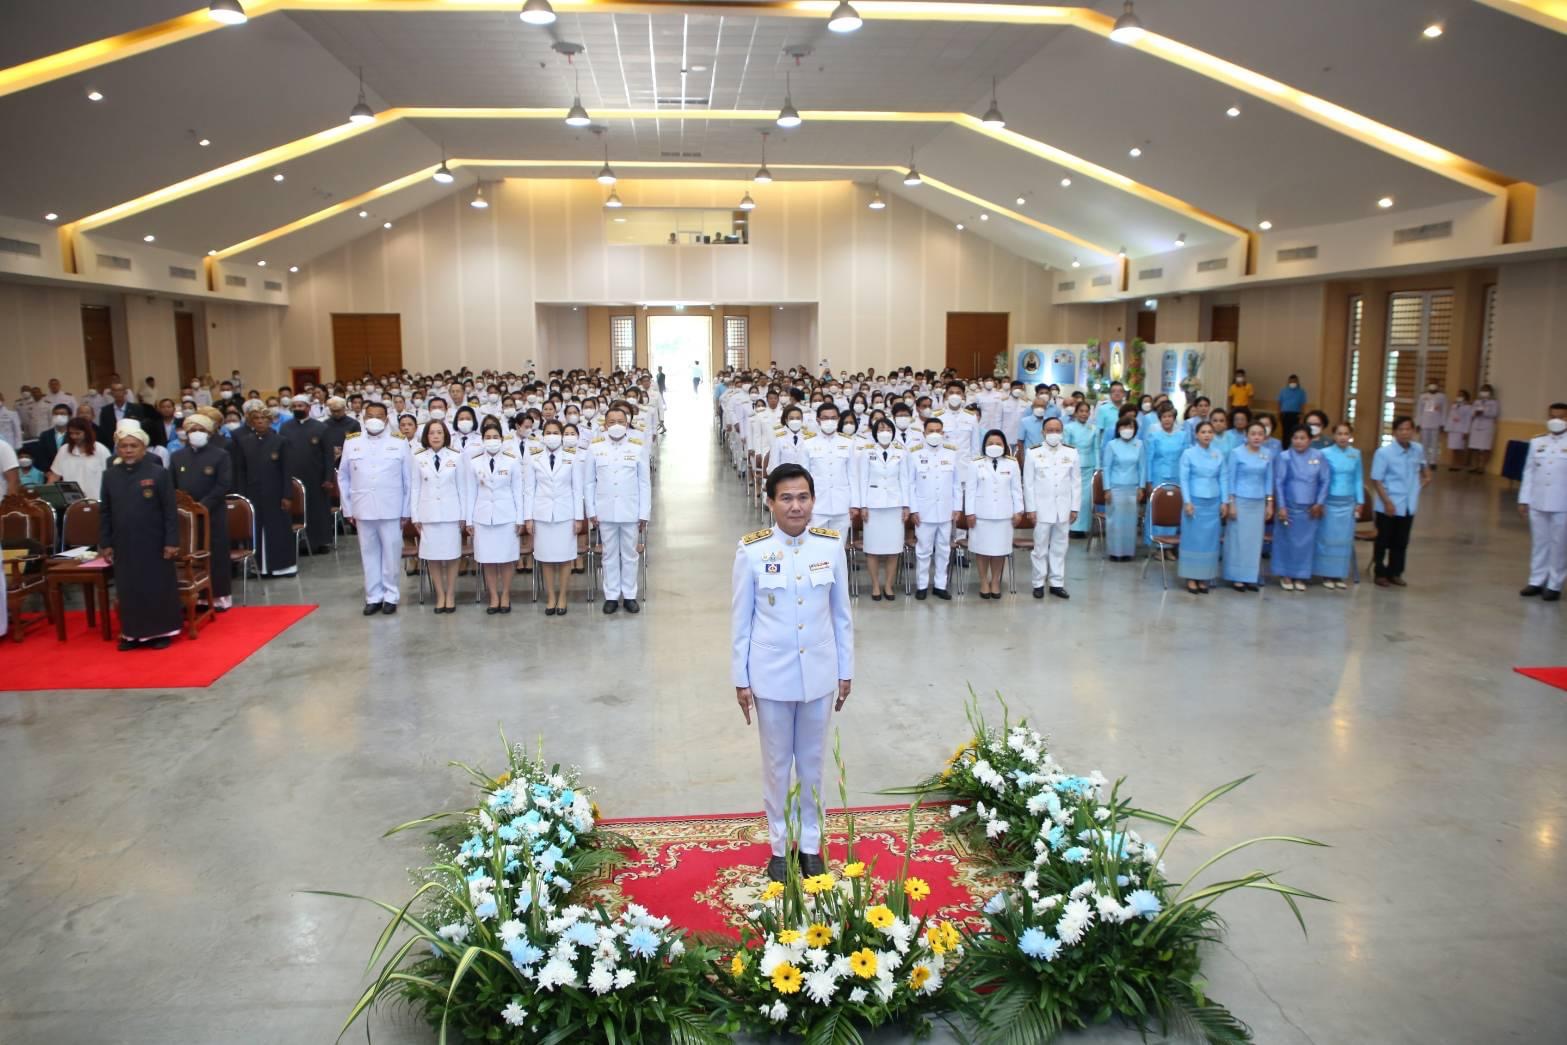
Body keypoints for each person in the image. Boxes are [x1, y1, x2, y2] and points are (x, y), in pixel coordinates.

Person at [730, 463, 853, 882]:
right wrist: (741, 678)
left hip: (819, 673)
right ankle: (780, 847)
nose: (795, 506)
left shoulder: (830, 547)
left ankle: (813, 846)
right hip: (771, 677)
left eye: (803, 497)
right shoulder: (752, 551)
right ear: (770, 502)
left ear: (813, 501)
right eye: (786, 498)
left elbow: (842, 616)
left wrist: (846, 670)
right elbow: (740, 620)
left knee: (814, 764)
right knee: (777, 764)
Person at [98, 425, 182, 650]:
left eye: (133, 446)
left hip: (154, 542)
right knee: (129, 588)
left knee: (156, 587)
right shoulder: (110, 476)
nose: (128, 450)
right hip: (124, 543)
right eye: (123, 446)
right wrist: (105, 542)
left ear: (143, 448)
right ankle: (132, 634)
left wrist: (171, 541)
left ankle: (161, 632)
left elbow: (170, 511)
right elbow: (105, 511)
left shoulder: (158, 473)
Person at [338, 402, 414, 613]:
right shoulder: (352, 443)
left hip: (391, 508)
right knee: (368, 554)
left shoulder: (399, 443)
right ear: (363, 418)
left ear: (386, 419)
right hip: (362, 508)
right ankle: (373, 596)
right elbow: (343, 476)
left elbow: (408, 480)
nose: (374, 419)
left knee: (391, 554)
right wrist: (348, 508)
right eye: (370, 415)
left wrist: (406, 511)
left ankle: (391, 596)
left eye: (379, 416)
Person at [585, 404, 651, 614]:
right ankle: (612, 595)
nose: (616, 425)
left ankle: (629, 595)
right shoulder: (595, 447)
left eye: (620, 422)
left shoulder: (637, 446)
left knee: (630, 555)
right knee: (609, 555)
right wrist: (591, 511)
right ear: (605, 425)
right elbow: (589, 482)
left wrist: (644, 513)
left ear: (627, 423)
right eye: (612, 422)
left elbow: (644, 483)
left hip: (630, 510)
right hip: (604, 511)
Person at [169, 411, 235, 611]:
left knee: (215, 554)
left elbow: (223, 484)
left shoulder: (220, 455)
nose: (196, 433)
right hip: (185, 517)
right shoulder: (177, 456)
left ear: (208, 432)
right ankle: (194, 596)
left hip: (212, 513)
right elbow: (171, 485)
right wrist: (184, 507)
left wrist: (202, 506)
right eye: (192, 430)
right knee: (190, 554)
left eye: (200, 430)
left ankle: (218, 597)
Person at [526, 418, 585, 616]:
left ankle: (563, 597)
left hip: (565, 514)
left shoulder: (572, 456)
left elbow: (578, 489)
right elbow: (529, 490)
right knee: (546, 558)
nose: (552, 436)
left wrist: (578, 518)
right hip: (542, 514)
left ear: (561, 436)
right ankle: (551, 597)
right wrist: (528, 518)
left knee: (565, 558)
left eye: (555, 432)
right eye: (548, 432)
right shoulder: (534, 457)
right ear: (543, 436)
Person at [465, 418, 524, 614]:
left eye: (495, 437)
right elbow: (469, 492)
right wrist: (468, 519)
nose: (492, 440)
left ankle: (505, 594)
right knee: (487, 559)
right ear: (482, 439)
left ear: (501, 438)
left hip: (506, 516)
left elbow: (518, 491)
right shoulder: (474, 462)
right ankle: (493, 596)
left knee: (507, 558)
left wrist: (520, 518)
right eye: (488, 437)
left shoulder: (512, 459)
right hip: (482, 517)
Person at [232, 400, 297, 578]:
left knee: (277, 529)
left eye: (263, 418)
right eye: (256, 419)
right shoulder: (245, 442)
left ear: (269, 421)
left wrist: (287, 495)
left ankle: (282, 567)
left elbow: (286, 471)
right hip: (253, 493)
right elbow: (240, 470)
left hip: (276, 493)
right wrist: (241, 496)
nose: (260, 421)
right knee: (256, 529)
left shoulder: (280, 441)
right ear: (251, 422)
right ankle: (259, 568)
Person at [411, 418, 465, 613]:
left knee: (452, 556)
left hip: (451, 514)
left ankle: (450, 594)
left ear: (445, 436)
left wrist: (463, 515)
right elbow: (415, 488)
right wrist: (415, 516)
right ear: (426, 436)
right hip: (428, 515)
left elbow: (462, 488)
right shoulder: (417, 457)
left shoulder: (457, 456)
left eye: (439, 432)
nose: (435, 436)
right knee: (432, 557)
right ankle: (439, 594)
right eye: (432, 432)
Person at [1369, 415, 1430, 588]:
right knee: (1383, 540)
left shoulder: (1417, 449)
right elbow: (1377, 480)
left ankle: (1395, 572)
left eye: (1408, 429)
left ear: (1413, 431)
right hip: (1388, 504)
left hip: (1408, 504)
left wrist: (1425, 479)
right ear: (1395, 432)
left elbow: (1424, 468)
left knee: (1401, 541)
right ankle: (1380, 573)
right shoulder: (1384, 453)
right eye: (1401, 429)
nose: (1405, 433)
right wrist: (1387, 502)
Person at [1022, 417, 1079, 599]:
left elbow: (1076, 483)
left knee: (1060, 547)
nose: (1053, 434)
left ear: (1062, 432)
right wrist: (1030, 508)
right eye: (1050, 430)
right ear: (1043, 432)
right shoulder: (1033, 453)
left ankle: (1057, 583)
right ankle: (1038, 583)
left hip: (1063, 508)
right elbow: (1028, 483)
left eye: (1057, 430)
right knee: (1040, 548)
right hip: (1041, 509)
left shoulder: (1071, 453)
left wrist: (1075, 508)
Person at [855, 416, 911, 601]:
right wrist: (863, 505)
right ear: (875, 433)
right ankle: (876, 586)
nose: (884, 432)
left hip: (894, 505)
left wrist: (906, 505)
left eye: (888, 429)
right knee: (873, 548)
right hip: (873, 505)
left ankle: (888, 585)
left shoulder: (901, 453)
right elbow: (862, 479)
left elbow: (905, 480)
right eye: (880, 429)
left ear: (893, 432)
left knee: (893, 549)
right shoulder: (867, 452)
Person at [963, 428, 1023, 598]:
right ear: (984, 445)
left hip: (1005, 515)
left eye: (998, 443)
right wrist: (970, 513)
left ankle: (995, 581)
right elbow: (971, 490)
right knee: (982, 550)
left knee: (999, 550)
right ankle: (983, 581)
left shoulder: (1012, 463)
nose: (994, 446)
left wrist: (1019, 511)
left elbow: (1017, 489)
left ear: (1004, 445)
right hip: (981, 514)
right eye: (990, 443)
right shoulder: (975, 464)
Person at [907, 416, 962, 600]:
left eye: (938, 430)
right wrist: (913, 510)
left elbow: (956, 484)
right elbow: (911, 485)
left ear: (943, 432)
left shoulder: (952, 452)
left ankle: (940, 585)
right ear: (924, 433)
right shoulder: (914, 453)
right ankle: (922, 585)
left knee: (944, 549)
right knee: (923, 550)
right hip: (924, 511)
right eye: (931, 431)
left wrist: (957, 508)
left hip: (946, 511)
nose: (935, 434)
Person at [1518, 402, 1567, 601]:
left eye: (1561, 417)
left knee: (1559, 544)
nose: (1556, 421)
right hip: (1538, 501)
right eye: (1552, 416)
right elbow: (1529, 472)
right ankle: (1536, 580)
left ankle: (1555, 584)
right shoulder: (1538, 442)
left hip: (1562, 503)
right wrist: (1524, 499)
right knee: (1540, 543)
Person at [1273, 426, 1331, 591]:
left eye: (1303, 438)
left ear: (1310, 440)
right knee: (1286, 542)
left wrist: (1319, 503)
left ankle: (1301, 575)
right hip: (1289, 507)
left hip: (1310, 509)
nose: (1299, 441)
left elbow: (1325, 480)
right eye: (1295, 438)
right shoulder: (1284, 457)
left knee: (1305, 544)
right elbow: (1279, 482)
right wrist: (1281, 506)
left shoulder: (1319, 456)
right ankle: (1286, 574)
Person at [1223, 422, 1274, 593]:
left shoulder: (1267, 454)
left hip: (1258, 501)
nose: (1257, 437)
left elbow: (1268, 479)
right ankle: (1237, 577)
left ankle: (1250, 576)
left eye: (1260, 434)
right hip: (1240, 500)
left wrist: (1270, 502)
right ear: (1247, 435)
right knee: (1238, 540)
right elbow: (1230, 478)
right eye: (1253, 433)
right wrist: (1231, 502)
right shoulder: (1236, 453)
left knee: (1254, 541)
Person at [1177, 421, 1226, 595]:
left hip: (1213, 501)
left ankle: (1205, 577)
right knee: (1193, 540)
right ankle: (1191, 577)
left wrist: (1224, 501)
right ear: (1197, 435)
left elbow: (1223, 478)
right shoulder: (1188, 454)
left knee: (1210, 541)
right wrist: (1187, 501)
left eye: (1210, 432)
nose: (1207, 435)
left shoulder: (1218, 454)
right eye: (1203, 432)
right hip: (1195, 502)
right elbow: (1183, 479)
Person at [280, 396, 334, 552]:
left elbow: (328, 456)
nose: (297, 408)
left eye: (300, 405)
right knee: (296, 510)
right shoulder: (285, 427)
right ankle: (299, 543)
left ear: (308, 408)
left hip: (316, 477)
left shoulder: (321, 427)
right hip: (293, 477)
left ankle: (321, 542)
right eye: (295, 406)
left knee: (317, 509)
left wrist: (328, 478)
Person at [1313, 422, 1363, 590]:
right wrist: (1320, 501)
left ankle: (1339, 573)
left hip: (1348, 502)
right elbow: (1320, 479)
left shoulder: (1355, 454)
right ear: (1334, 436)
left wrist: (1360, 501)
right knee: (1328, 538)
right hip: (1329, 501)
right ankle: (1326, 573)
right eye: (1339, 434)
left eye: (1346, 433)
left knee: (1344, 539)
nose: (1343, 437)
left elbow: (1358, 478)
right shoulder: (1324, 453)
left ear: (1350, 435)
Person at [802, 403, 857, 533]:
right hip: (817, 506)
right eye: (825, 418)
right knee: (816, 545)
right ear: (818, 420)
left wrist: (854, 504)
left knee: (838, 546)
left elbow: (853, 476)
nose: (829, 421)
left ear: (838, 419)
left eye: (833, 418)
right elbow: (803, 478)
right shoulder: (808, 443)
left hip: (842, 504)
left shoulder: (848, 442)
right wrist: (805, 504)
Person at [1142, 404, 1188, 551]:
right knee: (1157, 508)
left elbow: (1185, 458)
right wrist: (1148, 480)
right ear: (1159, 419)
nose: (1167, 420)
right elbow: (1148, 459)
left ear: (1174, 418)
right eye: (1164, 417)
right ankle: (1156, 546)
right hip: (1158, 476)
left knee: (1173, 509)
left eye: (1170, 416)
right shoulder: (1154, 436)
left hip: (1177, 477)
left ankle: (1169, 547)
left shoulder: (1182, 436)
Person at [1101, 415, 1144, 562]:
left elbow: (1142, 467)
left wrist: (1141, 487)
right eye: (1124, 427)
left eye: (1130, 427)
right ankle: (1115, 552)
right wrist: (1106, 489)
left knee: (1130, 521)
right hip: (1115, 487)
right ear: (1118, 429)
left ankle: (1128, 552)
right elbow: (1106, 468)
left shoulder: (1139, 444)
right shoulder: (1111, 445)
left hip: (1133, 487)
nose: (1127, 430)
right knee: (1115, 521)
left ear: (1135, 429)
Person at [46, 417, 111, 499]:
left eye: (78, 433)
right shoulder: (64, 450)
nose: (74, 437)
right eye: (71, 433)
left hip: (97, 502)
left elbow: (111, 477)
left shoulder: (101, 450)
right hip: (73, 504)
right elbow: (55, 476)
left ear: (86, 433)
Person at [1063, 400, 1098, 539]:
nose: (1084, 414)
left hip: (1089, 466)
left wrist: (1098, 467)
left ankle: (1083, 527)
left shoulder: (1093, 429)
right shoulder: (1069, 428)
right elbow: (1066, 447)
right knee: (1073, 496)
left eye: (1086, 411)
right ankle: (1071, 526)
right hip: (1073, 466)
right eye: (1081, 411)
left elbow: (1096, 448)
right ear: (1076, 413)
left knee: (1086, 498)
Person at [1468, 385, 1500, 474]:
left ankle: (1482, 467)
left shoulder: (1494, 402)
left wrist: (1484, 412)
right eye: (1482, 390)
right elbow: (1471, 412)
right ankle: (1476, 466)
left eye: (1486, 390)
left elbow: (1494, 413)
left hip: (1487, 426)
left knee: (1484, 448)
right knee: (1475, 448)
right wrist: (1475, 412)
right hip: (1476, 425)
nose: (1484, 392)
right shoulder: (1477, 401)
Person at [1415, 382, 1446, 469]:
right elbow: (1419, 411)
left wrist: (1442, 424)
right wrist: (1418, 423)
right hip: (1425, 422)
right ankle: (1424, 461)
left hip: (1436, 422)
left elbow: (1444, 411)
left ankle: (1433, 462)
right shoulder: (1423, 396)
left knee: (1435, 443)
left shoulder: (1441, 397)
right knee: (1424, 443)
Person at [1445, 391, 1474, 472]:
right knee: (1453, 448)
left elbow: (1468, 419)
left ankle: (1459, 464)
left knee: (1459, 449)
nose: (1459, 397)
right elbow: (1450, 416)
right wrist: (1448, 428)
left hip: (1461, 429)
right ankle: (1454, 463)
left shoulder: (1468, 407)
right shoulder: (1454, 405)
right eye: (1458, 395)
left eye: (1461, 395)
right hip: (1453, 429)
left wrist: (1466, 431)